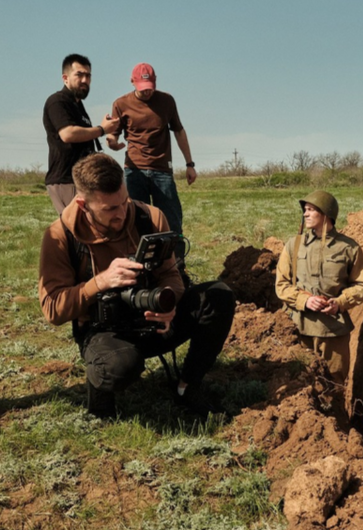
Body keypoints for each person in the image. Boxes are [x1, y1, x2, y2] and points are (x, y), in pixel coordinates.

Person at [38, 153, 235, 418]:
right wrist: (100, 282)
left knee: (218, 296)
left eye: (124, 201)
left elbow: (172, 276)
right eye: (109, 209)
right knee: (119, 367)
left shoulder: (149, 217)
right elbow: (53, 310)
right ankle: (101, 389)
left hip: (154, 320)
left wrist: (169, 304)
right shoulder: (60, 235)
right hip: (105, 332)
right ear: (83, 205)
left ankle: (187, 386)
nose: (121, 213)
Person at [274, 190, 363, 389]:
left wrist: (340, 303)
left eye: (311, 210)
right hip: (299, 328)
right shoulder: (294, 245)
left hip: (334, 331)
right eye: (305, 210)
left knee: (334, 385)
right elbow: (281, 285)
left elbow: (361, 285)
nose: (305, 214)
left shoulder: (349, 248)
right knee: (301, 386)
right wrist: (304, 301)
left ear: (326, 214)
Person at [105, 62, 194, 238]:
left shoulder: (167, 101)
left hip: (162, 171)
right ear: (132, 82)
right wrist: (112, 143)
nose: (147, 91)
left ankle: (176, 264)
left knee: (171, 221)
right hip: (134, 171)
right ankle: (141, 264)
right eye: (142, 88)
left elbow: (179, 131)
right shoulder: (121, 104)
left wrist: (189, 164)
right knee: (137, 222)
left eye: (150, 87)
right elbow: (112, 135)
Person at [43, 54, 123, 214]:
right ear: (65, 78)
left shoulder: (78, 106)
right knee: (76, 230)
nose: (85, 80)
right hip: (66, 179)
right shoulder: (57, 101)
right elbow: (68, 134)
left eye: (88, 76)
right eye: (79, 75)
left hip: (82, 180)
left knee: (89, 230)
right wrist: (101, 129)